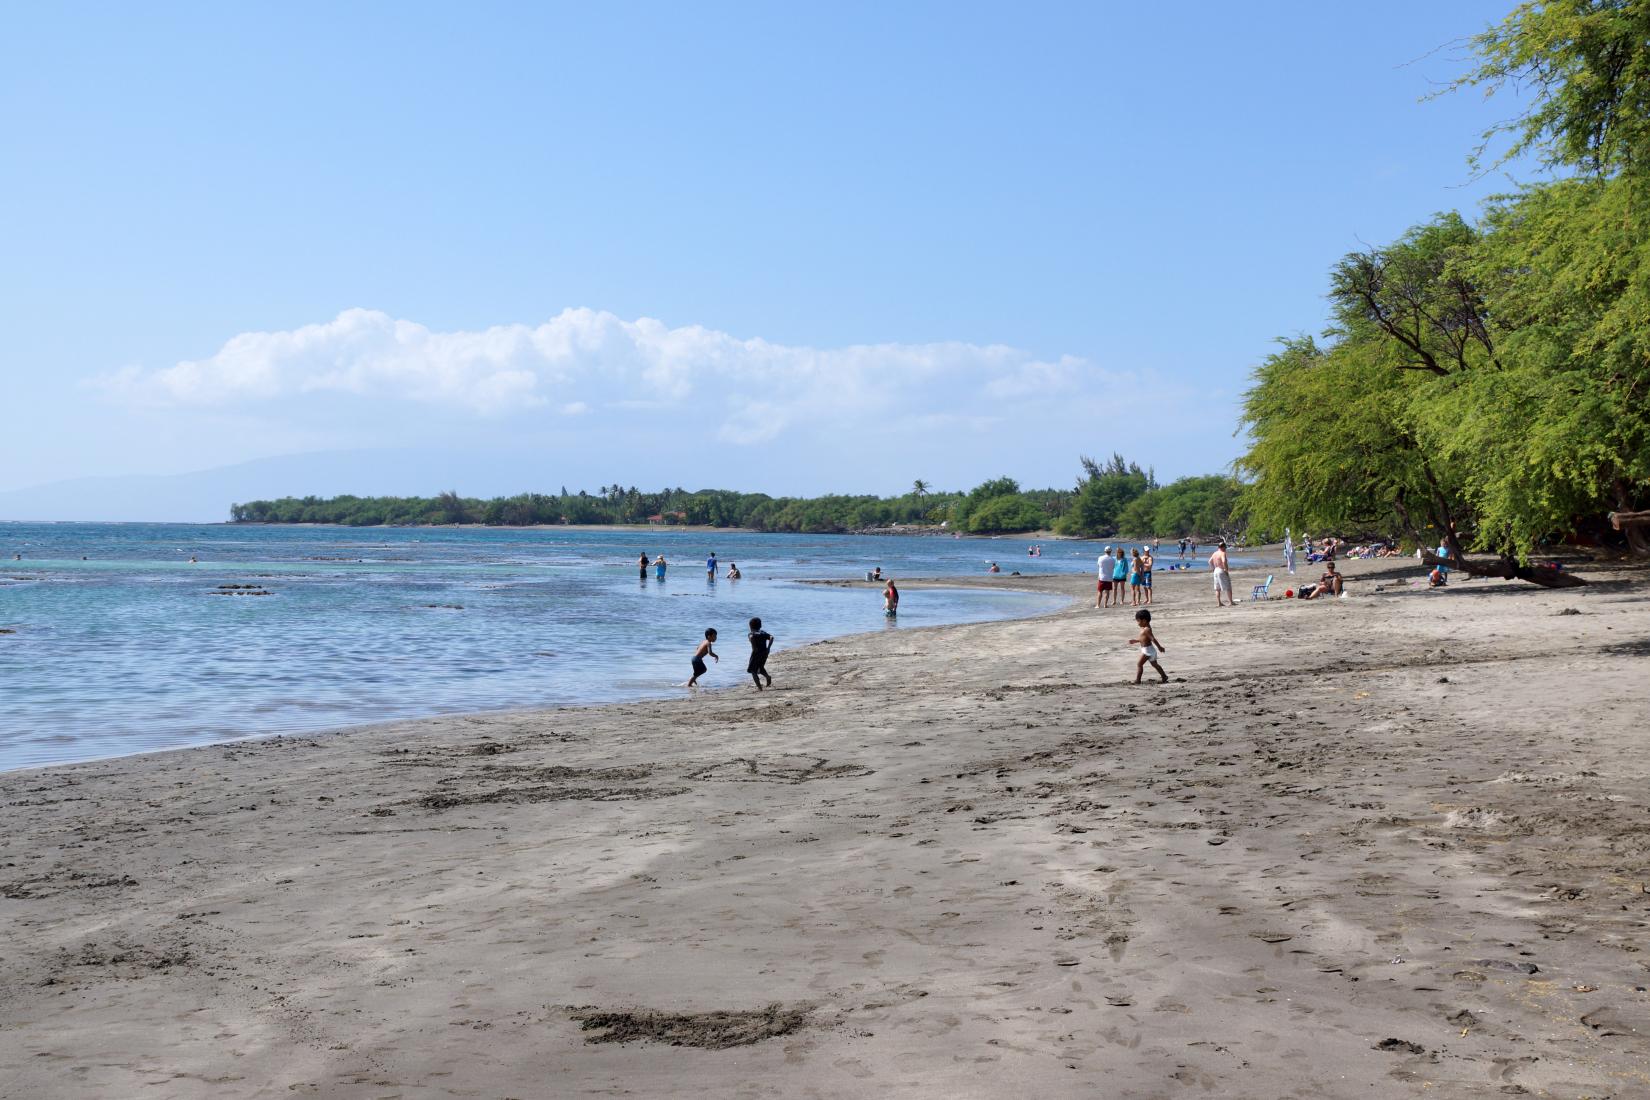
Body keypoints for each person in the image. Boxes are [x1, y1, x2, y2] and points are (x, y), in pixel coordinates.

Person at [1127, 609, 1168, 684]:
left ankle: (1138, 680)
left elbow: (1153, 639)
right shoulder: (1145, 628)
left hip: (1147, 651)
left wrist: (1159, 647)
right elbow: (1144, 639)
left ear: (1144, 621)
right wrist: (1136, 641)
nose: (1137, 623)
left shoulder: (1147, 630)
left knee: (1139, 664)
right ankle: (1164, 676)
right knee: (1155, 664)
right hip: (1150, 650)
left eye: (1138, 621)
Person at [747, 617, 774, 690]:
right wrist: (768, 648)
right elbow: (771, 637)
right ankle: (767, 677)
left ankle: (759, 687)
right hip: (764, 653)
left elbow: (751, 637)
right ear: (760, 626)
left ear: (750, 626)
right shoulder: (763, 633)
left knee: (753, 670)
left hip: (756, 653)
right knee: (760, 667)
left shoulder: (751, 634)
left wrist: (754, 647)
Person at [1210, 540, 1235, 607]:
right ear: (1223, 547)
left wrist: (1213, 569)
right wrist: (1226, 570)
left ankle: (1219, 603)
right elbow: (1224, 561)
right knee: (1228, 586)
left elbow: (1210, 561)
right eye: (1225, 547)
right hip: (1221, 570)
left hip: (1216, 570)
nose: (1225, 549)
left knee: (1217, 588)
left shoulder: (1214, 553)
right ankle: (1231, 602)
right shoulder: (1222, 553)